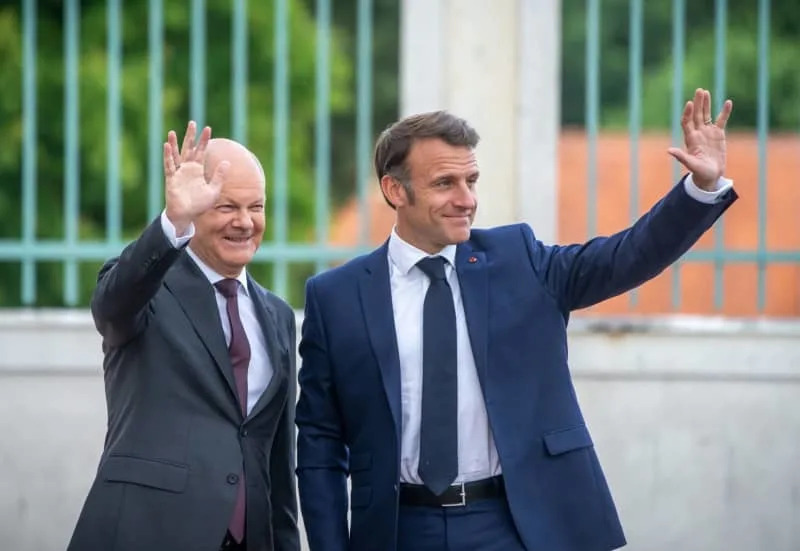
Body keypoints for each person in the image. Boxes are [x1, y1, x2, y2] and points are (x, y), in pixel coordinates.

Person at [295, 88, 737, 551]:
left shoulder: (518, 259)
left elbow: (625, 257)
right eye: (446, 183)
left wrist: (699, 190)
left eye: (472, 180)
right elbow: (320, 443)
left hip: (516, 524)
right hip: (398, 529)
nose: (466, 199)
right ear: (394, 190)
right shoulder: (336, 297)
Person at [67, 122, 300, 551]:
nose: (245, 222)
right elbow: (112, 307)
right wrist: (174, 221)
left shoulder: (278, 315)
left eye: (257, 207)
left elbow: (277, 463)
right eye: (227, 206)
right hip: (149, 532)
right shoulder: (149, 291)